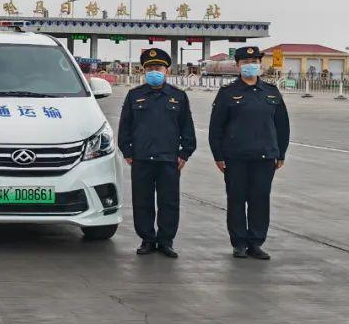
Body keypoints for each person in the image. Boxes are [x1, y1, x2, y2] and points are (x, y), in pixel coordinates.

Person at [209, 46, 290, 260]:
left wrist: (280, 153)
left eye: (254, 62)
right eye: (245, 63)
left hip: (265, 156)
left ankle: (256, 242)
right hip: (235, 157)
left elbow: (282, 125)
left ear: (260, 65)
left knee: (260, 200)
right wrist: (218, 155)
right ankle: (239, 244)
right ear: (237, 66)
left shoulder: (271, 92)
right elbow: (216, 128)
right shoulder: (227, 93)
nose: (250, 66)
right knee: (236, 200)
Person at [117, 47, 196, 258]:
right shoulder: (135, 96)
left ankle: (166, 241)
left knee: (169, 202)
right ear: (144, 71)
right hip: (141, 158)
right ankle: (147, 239)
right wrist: (127, 150)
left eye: (158, 67)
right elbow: (125, 127)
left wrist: (184, 153)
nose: (155, 71)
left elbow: (187, 128)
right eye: (150, 68)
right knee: (142, 201)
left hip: (169, 159)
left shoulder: (178, 97)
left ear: (167, 70)